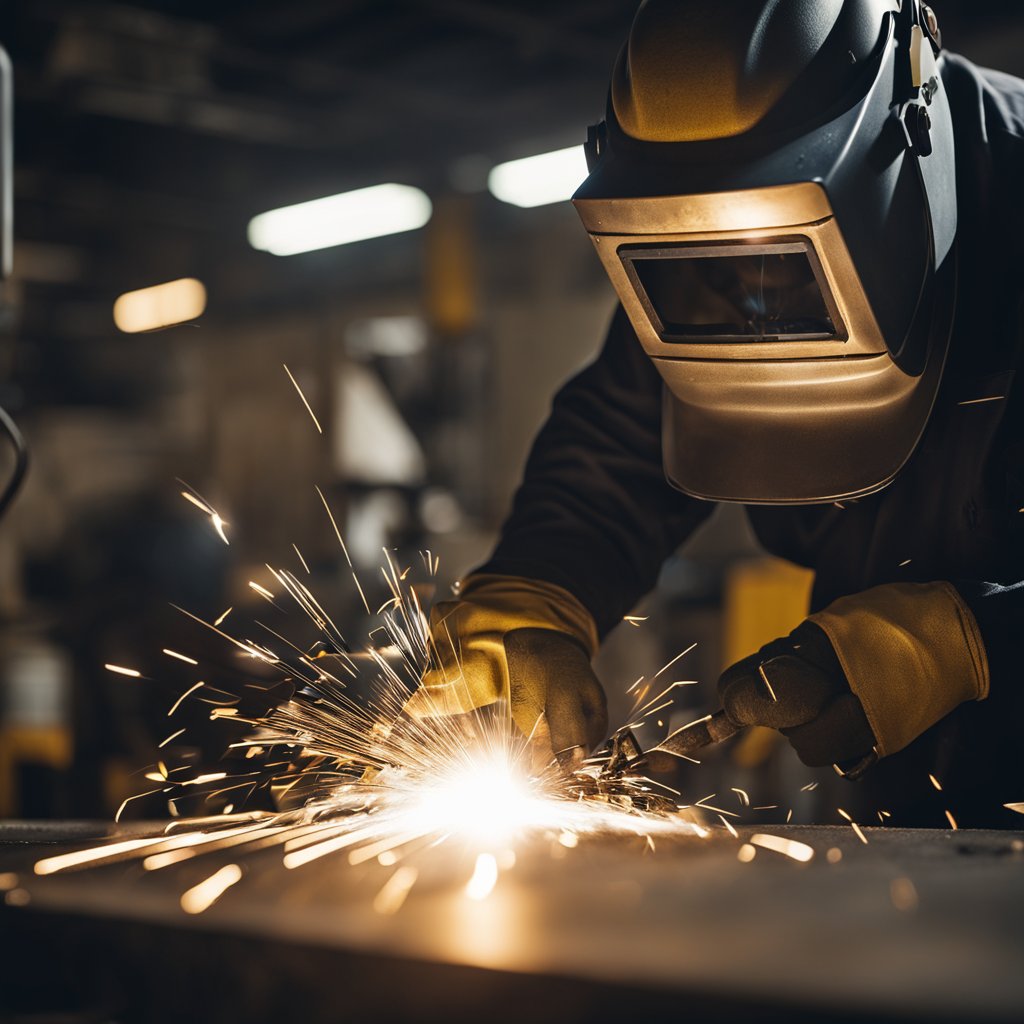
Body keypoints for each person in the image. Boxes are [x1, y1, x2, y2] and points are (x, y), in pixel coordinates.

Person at [406, 0, 1024, 827]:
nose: (747, 293)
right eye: (706, 264)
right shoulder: (694, 261)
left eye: (776, 261)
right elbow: (622, 443)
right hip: (920, 812)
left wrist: (977, 641)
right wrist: (538, 595)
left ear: (897, 148)